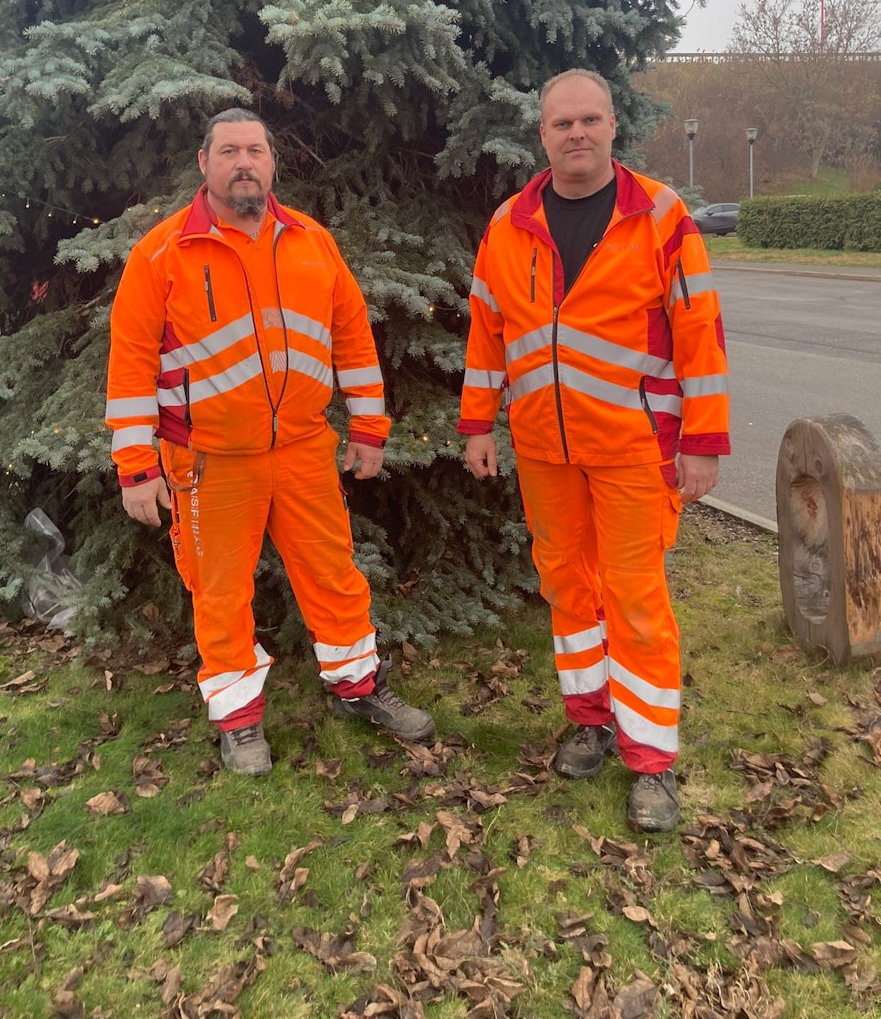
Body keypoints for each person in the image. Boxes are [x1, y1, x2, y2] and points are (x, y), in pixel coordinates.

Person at [106, 108, 434, 775]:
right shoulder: (162, 254)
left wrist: (370, 428)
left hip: (306, 450)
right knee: (221, 595)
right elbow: (131, 361)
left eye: (254, 149)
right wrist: (136, 465)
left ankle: (358, 689)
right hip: (208, 462)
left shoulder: (313, 241)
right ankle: (238, 720)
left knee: (334, 577)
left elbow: (353, 340)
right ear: (205, 164)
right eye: (228, 150)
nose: (243, 162)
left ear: (272, 162)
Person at [458, 70, 730, 832]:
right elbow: (487, 333)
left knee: (637, 600)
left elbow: (700, 336)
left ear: (613, 127)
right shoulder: (509, 223)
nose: (575, 133)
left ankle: (652, 762)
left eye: (589, 120)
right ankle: (590, 721)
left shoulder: (662, 217)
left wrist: (702, 443)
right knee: (568, 590)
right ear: (541, 136)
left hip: (636, 449)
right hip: (544, 449)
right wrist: (479, 421)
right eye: (560, 124)